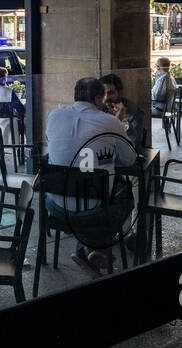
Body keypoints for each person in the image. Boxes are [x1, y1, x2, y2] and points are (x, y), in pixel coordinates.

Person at [45, 78, 136, 275]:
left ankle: (89, 249)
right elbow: (129, 160)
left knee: (88, 192)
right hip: (93, 210)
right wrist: (117, 124)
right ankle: (95, 249)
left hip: (55, 206)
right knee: (125, 199)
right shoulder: (110, 121)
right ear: (97, 98)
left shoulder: (54, 115)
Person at [101, 72, 147, 151]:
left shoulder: (134, 111)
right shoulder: (99, 108)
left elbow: (134, 143)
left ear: (120, 93)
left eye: (110, 93)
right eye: (102, 93)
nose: (106, 98)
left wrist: (123, 119)